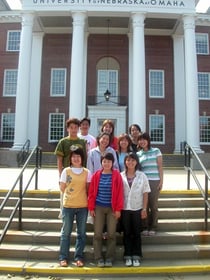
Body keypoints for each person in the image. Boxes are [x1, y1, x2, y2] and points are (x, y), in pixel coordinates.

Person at [88, 153, 124, 267]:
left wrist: (118, 209)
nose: (106, 163)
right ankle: (98, 258)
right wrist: (91, 207)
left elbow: (120, 193)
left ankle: (109, 257)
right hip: (98, 207)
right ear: (101, 162)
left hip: (112, 208)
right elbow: (92, 193)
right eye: (104, 161)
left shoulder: (116, 175)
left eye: (109, 161)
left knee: (112, 234)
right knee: (97, 234)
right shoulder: (96, 175)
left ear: (112, 163)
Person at [59, 147, 92, 267]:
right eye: (74, 156)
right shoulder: (66, 171)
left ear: (82, 158)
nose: (76, 159)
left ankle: (78, 257)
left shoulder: (87, 172)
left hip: (83, 206)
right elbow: (62, 187)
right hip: (68, 206)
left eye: (78, 156)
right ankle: (63, 257)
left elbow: (88, 189)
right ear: (70, 158)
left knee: (81, 233)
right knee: (66, 233)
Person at [120, 152, 150, 267]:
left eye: (133, 160)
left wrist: (144, 208)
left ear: (136, 162)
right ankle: (127, 255)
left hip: (137, 208)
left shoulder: (142, 175)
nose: (130, 162)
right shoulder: (121, 175)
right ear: (125, 162)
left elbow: (145, 192)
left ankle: (137, 255)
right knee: (127, 233)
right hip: (125, 208)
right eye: (128, 160)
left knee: (136, 233)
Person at [55, 118, 87, 218]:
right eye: (71, 127)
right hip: (67, 174)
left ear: (79, 128)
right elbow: (59, 160)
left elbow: (84, 158)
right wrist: (60, 176)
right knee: (65, 196)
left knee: (80, 196)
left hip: (80, 175)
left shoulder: (82, 141)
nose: (73, 130)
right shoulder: (63, 142)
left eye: (76, 127)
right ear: (67, 129)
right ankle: (64, 217)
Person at [137, 132, 163, 236]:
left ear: (148, 140)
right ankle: (145, 227)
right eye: (140, 139)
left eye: (144, 139)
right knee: (144, 205)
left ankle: (153, 226)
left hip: (154, 181)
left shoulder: (156, 151)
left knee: (153, 205)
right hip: (143, 182)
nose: (142, 141)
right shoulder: (138, 154)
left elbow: (160, 167)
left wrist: (161, 181)